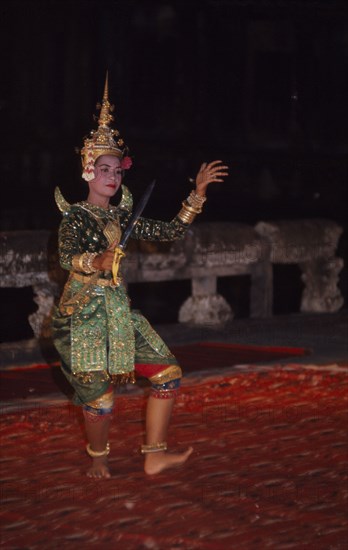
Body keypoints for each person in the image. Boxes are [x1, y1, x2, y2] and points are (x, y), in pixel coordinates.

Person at [52, 75, 228, 479]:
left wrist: (196, 194)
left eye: (118, 169)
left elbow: (169, 232)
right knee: (102, 400)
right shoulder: (75, 216)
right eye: (104, 169)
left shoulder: (121, 216)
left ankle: (154, 453)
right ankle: (99, 458)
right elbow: (67, 256)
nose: (113, 177)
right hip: (81, 317)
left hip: (117, 312)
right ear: (87, 171)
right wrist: (95, 261)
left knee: (167, 373)